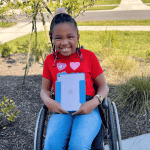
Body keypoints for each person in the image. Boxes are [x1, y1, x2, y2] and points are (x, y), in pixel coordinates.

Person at [40, 8, 109, 150]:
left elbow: (104, 87)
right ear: (51, 36)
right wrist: (48, 101)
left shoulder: (89, 56)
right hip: (61, 109)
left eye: (70, 36)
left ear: (78, 36)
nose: (64, 42)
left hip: (88, 107)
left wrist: (93, 103)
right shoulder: (50, 60)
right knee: (52, 145)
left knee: (78, 145)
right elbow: (44, 90)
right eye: (58, 37)